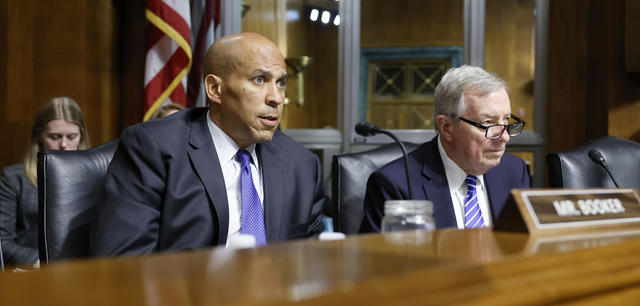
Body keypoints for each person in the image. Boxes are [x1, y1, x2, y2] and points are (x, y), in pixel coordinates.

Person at [90, 32, 325, 256]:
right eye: (259, 79)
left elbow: (309, 263)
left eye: (281, 83)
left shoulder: (302, 164)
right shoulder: (153, 149)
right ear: (215, 89)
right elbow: (125, 261)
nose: (276, 97)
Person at [359, 65, 530, 233]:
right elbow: (379, 259)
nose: (504, 137)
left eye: (506, 120)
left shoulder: (515, 171)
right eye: (487, 123)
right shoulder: (395, 184)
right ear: (447, 127)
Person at [0, 97, 90, 265]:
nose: (64, 144)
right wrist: (42, 262)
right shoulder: (13, 179)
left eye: (72, 136)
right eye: (55, 137)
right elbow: (2, 242)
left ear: (81, 136)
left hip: (82, 271)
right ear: (39, 137)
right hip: (33, 273)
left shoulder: (96, 177)